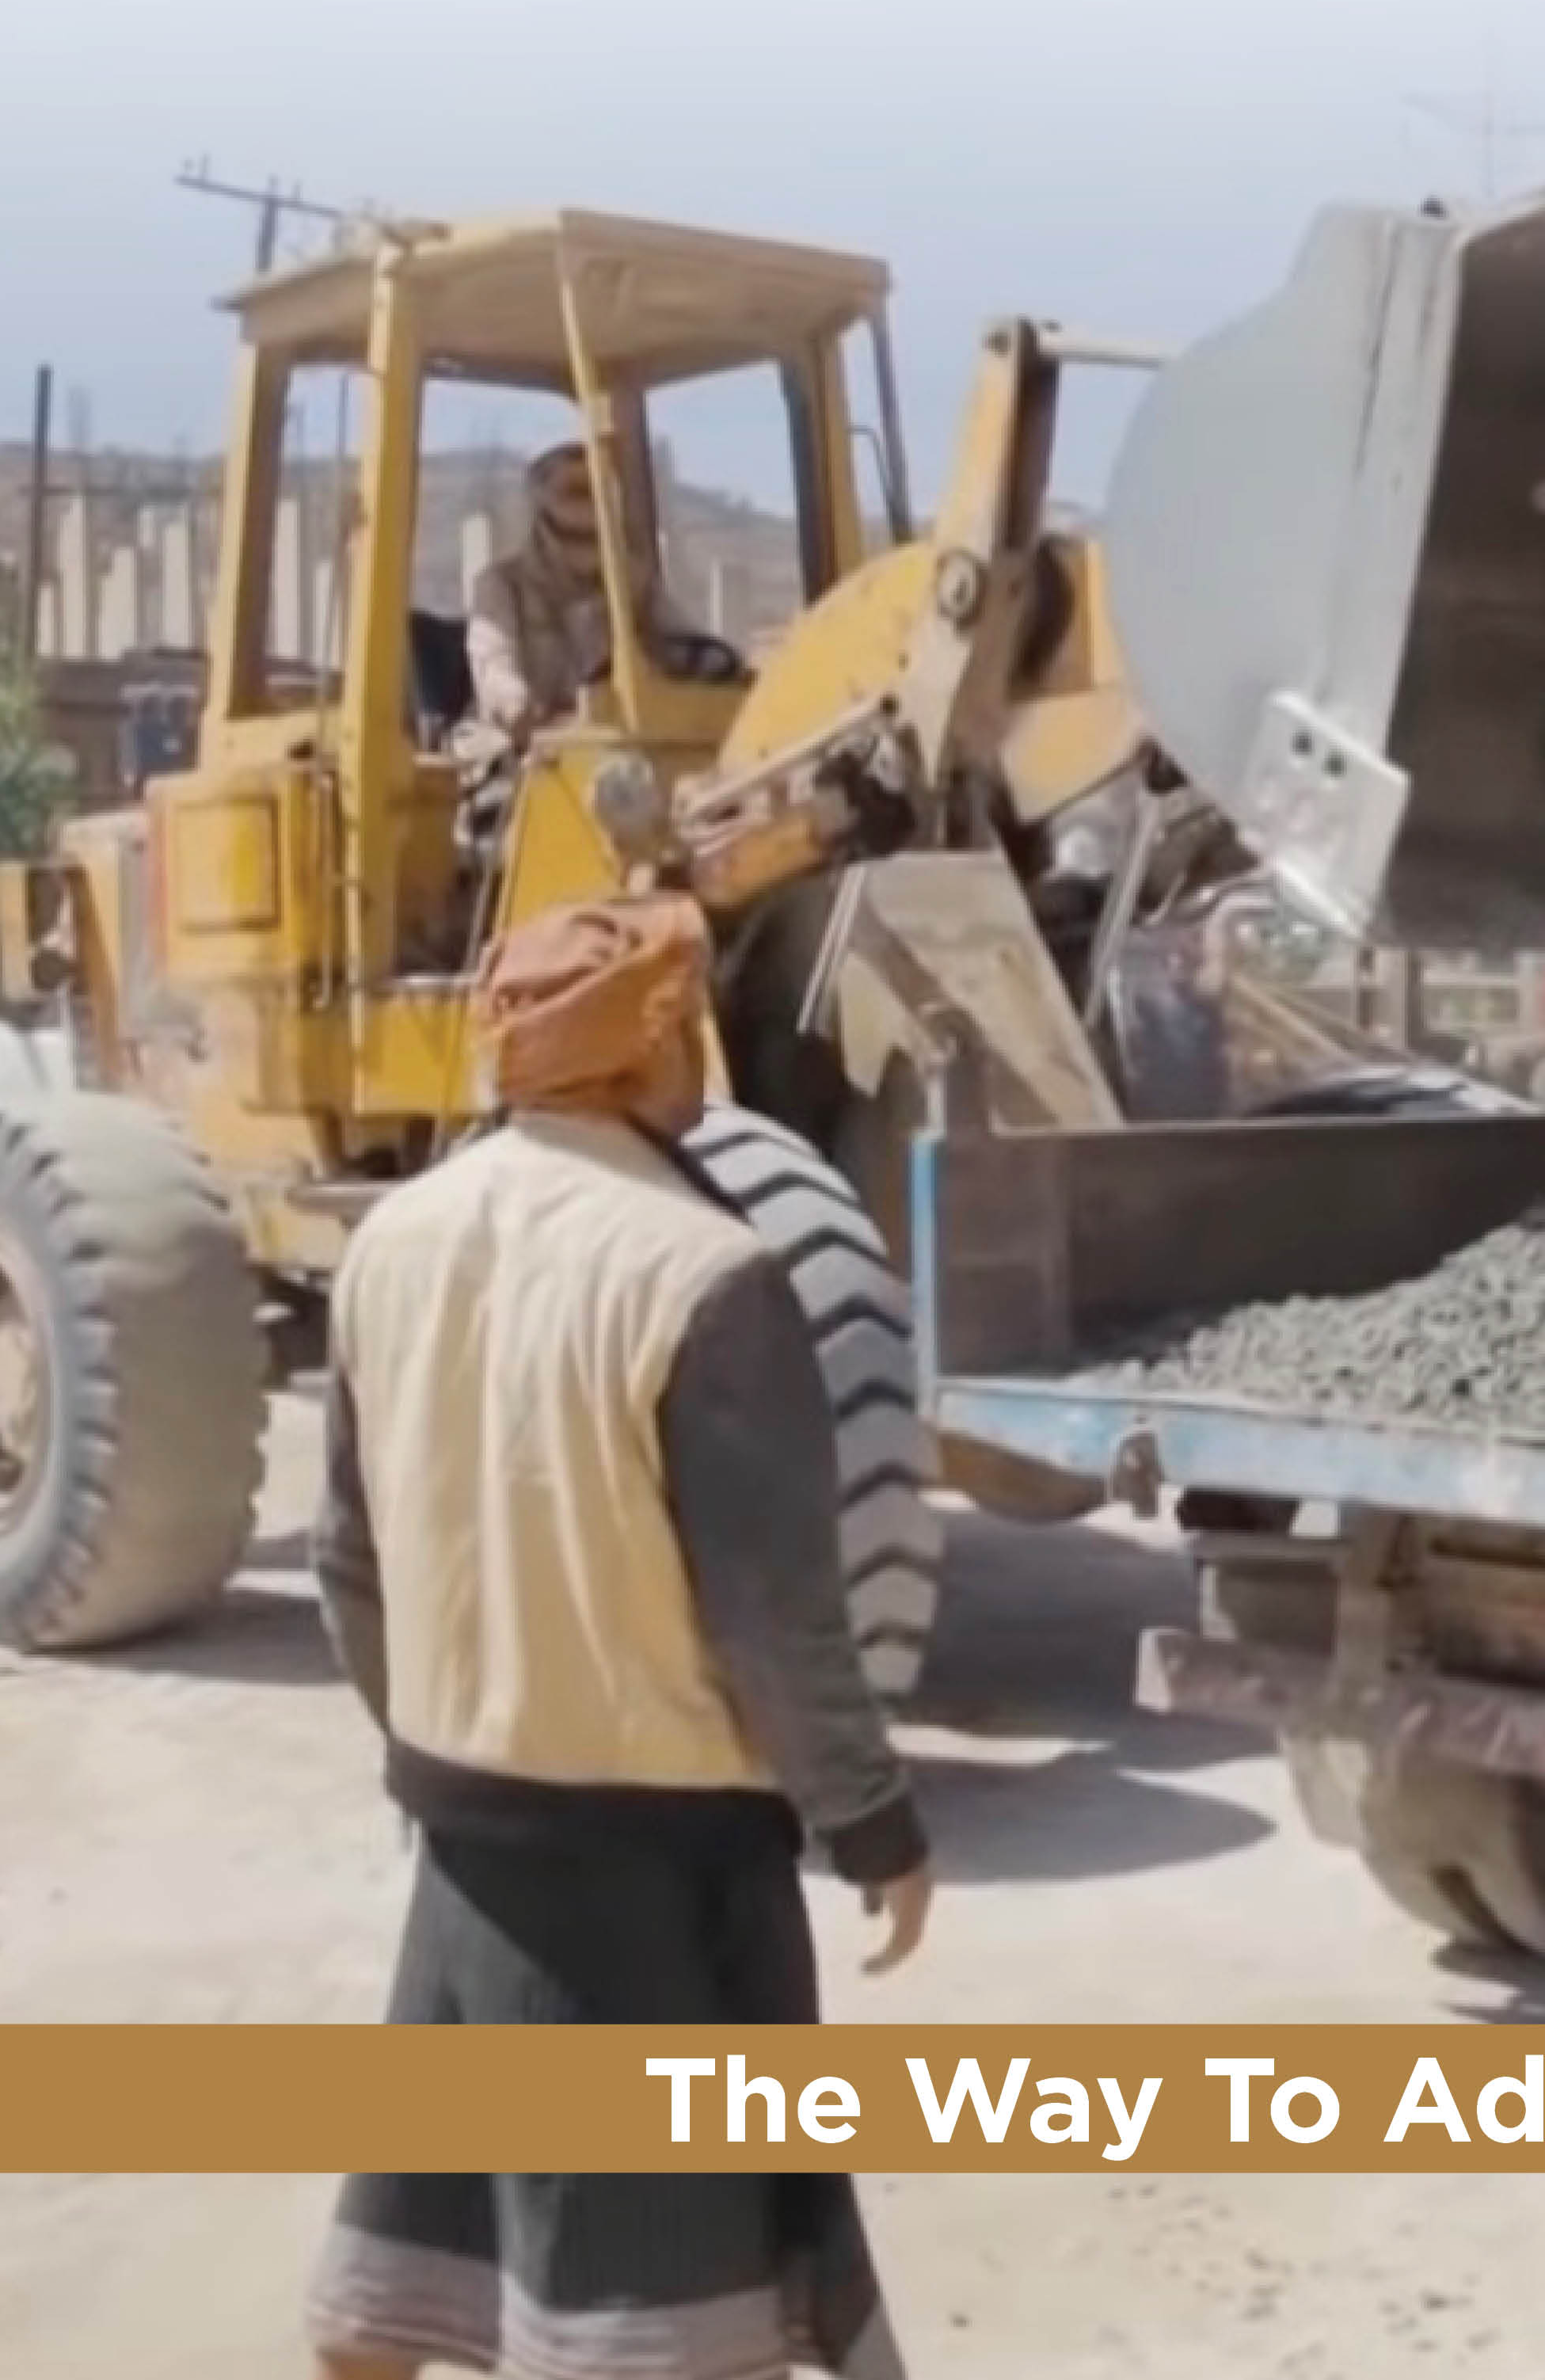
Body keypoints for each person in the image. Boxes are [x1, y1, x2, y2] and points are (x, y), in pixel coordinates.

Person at [305, 896, 933, 2380]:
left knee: (398, 2292)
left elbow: (350, 1562)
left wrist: (450, 1738)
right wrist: (874, 1820)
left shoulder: (389, 1241)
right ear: (660, 1044)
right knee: (650, 2326)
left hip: (466, 1850)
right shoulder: (708, 1274)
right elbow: (776, 1617)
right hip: (654, 1882)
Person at [461, 444, 731, 771]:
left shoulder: (635, 582)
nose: (585, 504)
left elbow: (684, 640)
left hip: (626, 746)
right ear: (541, 509)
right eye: (574, 491)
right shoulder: (502, 587)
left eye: (594, 491)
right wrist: (519, 707)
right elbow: (494, 667)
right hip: (531, 753)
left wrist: (717, 666)